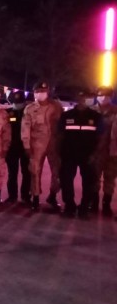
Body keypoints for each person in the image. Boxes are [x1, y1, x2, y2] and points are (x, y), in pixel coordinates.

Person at [58, 89, 102, 218]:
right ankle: (69, 206)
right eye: (81, 98)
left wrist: (95, 154)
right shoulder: (66, 115)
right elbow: (59, 135)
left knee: (88, 182)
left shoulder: (96, 116)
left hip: (88, 155)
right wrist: (58, 152)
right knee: (66, 181)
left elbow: (101, 137)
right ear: (77, 99)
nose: (83, 100)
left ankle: (84, 208)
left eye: (86, 98)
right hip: (68, 153)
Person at [21, 81, 63, 211]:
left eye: (43, 91)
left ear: (48, 92)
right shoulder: (29, 109)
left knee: (57, 171)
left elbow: (62, 125)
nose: (41, 93)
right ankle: (35, 198)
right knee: (35, 171)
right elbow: (25, 128)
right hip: (36, 143)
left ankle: (52, 195)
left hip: (54, 144)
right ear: (34, 93)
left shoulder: (56, 106)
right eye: (38, 91)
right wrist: (26, 145)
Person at [92, 86, 117, 216]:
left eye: (107, 95)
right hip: (95, 152)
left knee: (110, 179)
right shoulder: (91, 111)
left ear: (111, 97)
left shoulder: (115, 111)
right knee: (94, 178)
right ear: (97, 96)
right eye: (101, 95)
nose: (103, 98)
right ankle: (94, 203)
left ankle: (106, 205)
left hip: (112, 152)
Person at [4, 90, 31, 203]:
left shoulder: (29, 113)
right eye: (15, 102)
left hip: (26, 147)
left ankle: (25, 196)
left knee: (27, 173)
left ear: (24, 102)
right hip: (12, 147)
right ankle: (12, 196)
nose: (17, 104)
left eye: (19, 102)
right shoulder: (8, 112)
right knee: (12, 173)